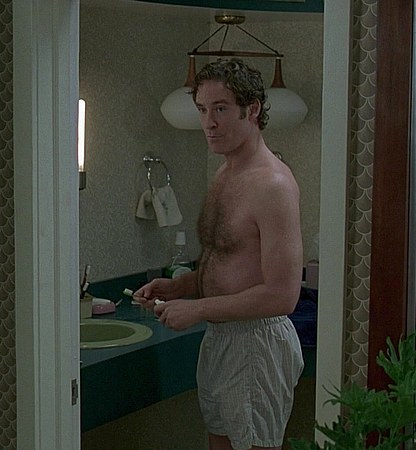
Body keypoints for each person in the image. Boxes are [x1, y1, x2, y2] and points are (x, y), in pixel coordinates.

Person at [133, 58, 304, 450]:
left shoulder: (273, 185)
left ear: (253, 109)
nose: (208, 123)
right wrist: (183, 287)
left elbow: (282, 295)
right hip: (221, 338)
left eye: (221, 109)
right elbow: (233, 261)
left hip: (256, 342)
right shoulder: (224, 174)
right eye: (202, 109)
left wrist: (197, 309)